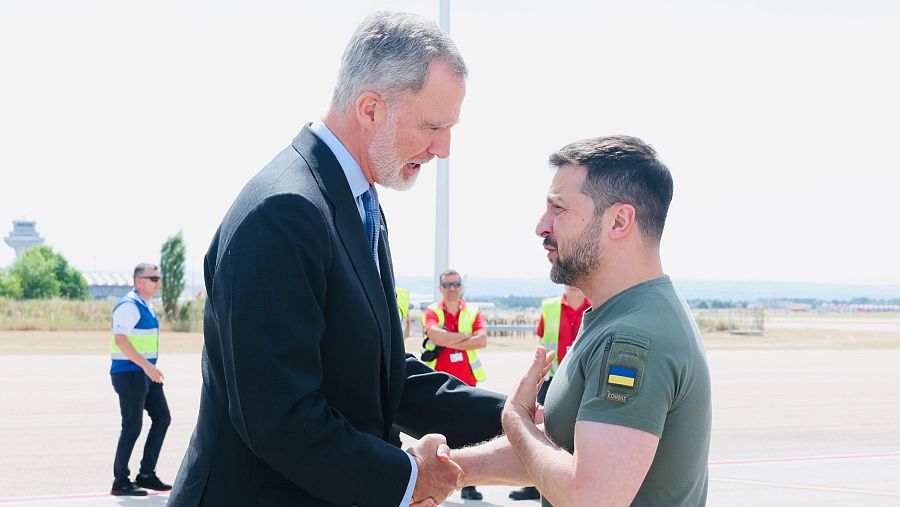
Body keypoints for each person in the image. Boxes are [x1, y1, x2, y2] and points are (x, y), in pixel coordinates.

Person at [168, 12, 505, 507]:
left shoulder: (353, 200)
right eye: (433, 126)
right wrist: (410, 479)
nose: (443, 149)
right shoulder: (285, 211)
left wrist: (519, 417)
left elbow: (381, 374)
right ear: (370, 109)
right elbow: (280, 419)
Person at [451, 136, 712, 506]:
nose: (542, 226)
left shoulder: (632, 337)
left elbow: (589, 497)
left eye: (559, 209)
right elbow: (564, 453)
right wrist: (450, 470)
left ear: (619, 221)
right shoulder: (621, 314)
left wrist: (517, 421)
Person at [508, 285, 588, 501]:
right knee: (543, 433)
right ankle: (533, 485)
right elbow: (543, 340)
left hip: (584, 379)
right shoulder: (550, 307)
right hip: (554, 378)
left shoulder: (597, 304)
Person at [420, 269, 487, 500]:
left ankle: (469, 483)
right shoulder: (432, 311)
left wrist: (450, 338)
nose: (451, 288)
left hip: (468, 381)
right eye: (447, 285)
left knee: (470, 435)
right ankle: (435, 483)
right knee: (439, 436)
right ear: (440, 287)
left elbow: (483, 340)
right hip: (439, 382)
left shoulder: (472, 311)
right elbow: (436, 338)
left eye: (455, 284)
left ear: (461, 286)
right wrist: (465, 338)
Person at [109, 263, 172, 496]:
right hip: (129, 373)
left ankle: (146, 474)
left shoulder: (147, 305)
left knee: (162, 418)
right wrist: (147, 366)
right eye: (153, 278)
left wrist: (148, 368)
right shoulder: (128, 306)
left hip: (144, 372)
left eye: (158, 278)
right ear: (138, 281)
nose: (158, 282)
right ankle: (120, 481)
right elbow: (121, 341)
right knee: (132, 426)